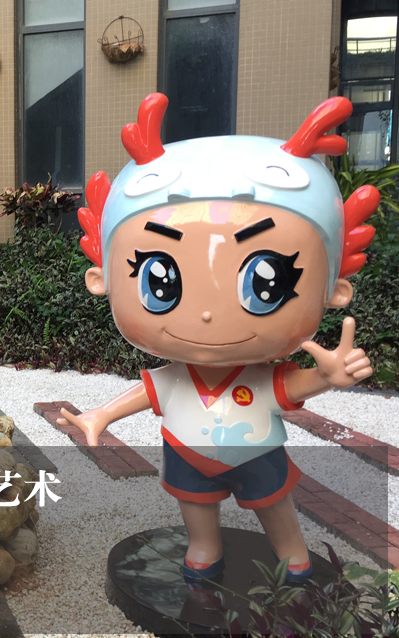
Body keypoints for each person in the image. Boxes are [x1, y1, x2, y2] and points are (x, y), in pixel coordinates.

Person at [60, 93, 379, 583]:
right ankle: (204, 551)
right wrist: (99, 415)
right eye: (160, 281)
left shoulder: (259, 375)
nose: (207, 314)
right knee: (196, 507)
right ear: (101, 280)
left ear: (334, 289)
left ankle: (293, 557)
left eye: (266, 282)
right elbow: (148, 391)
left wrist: (326, 377)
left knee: (274, 505)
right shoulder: (177, 376)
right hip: (185, 452)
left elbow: (289, 387)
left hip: (257, 451)